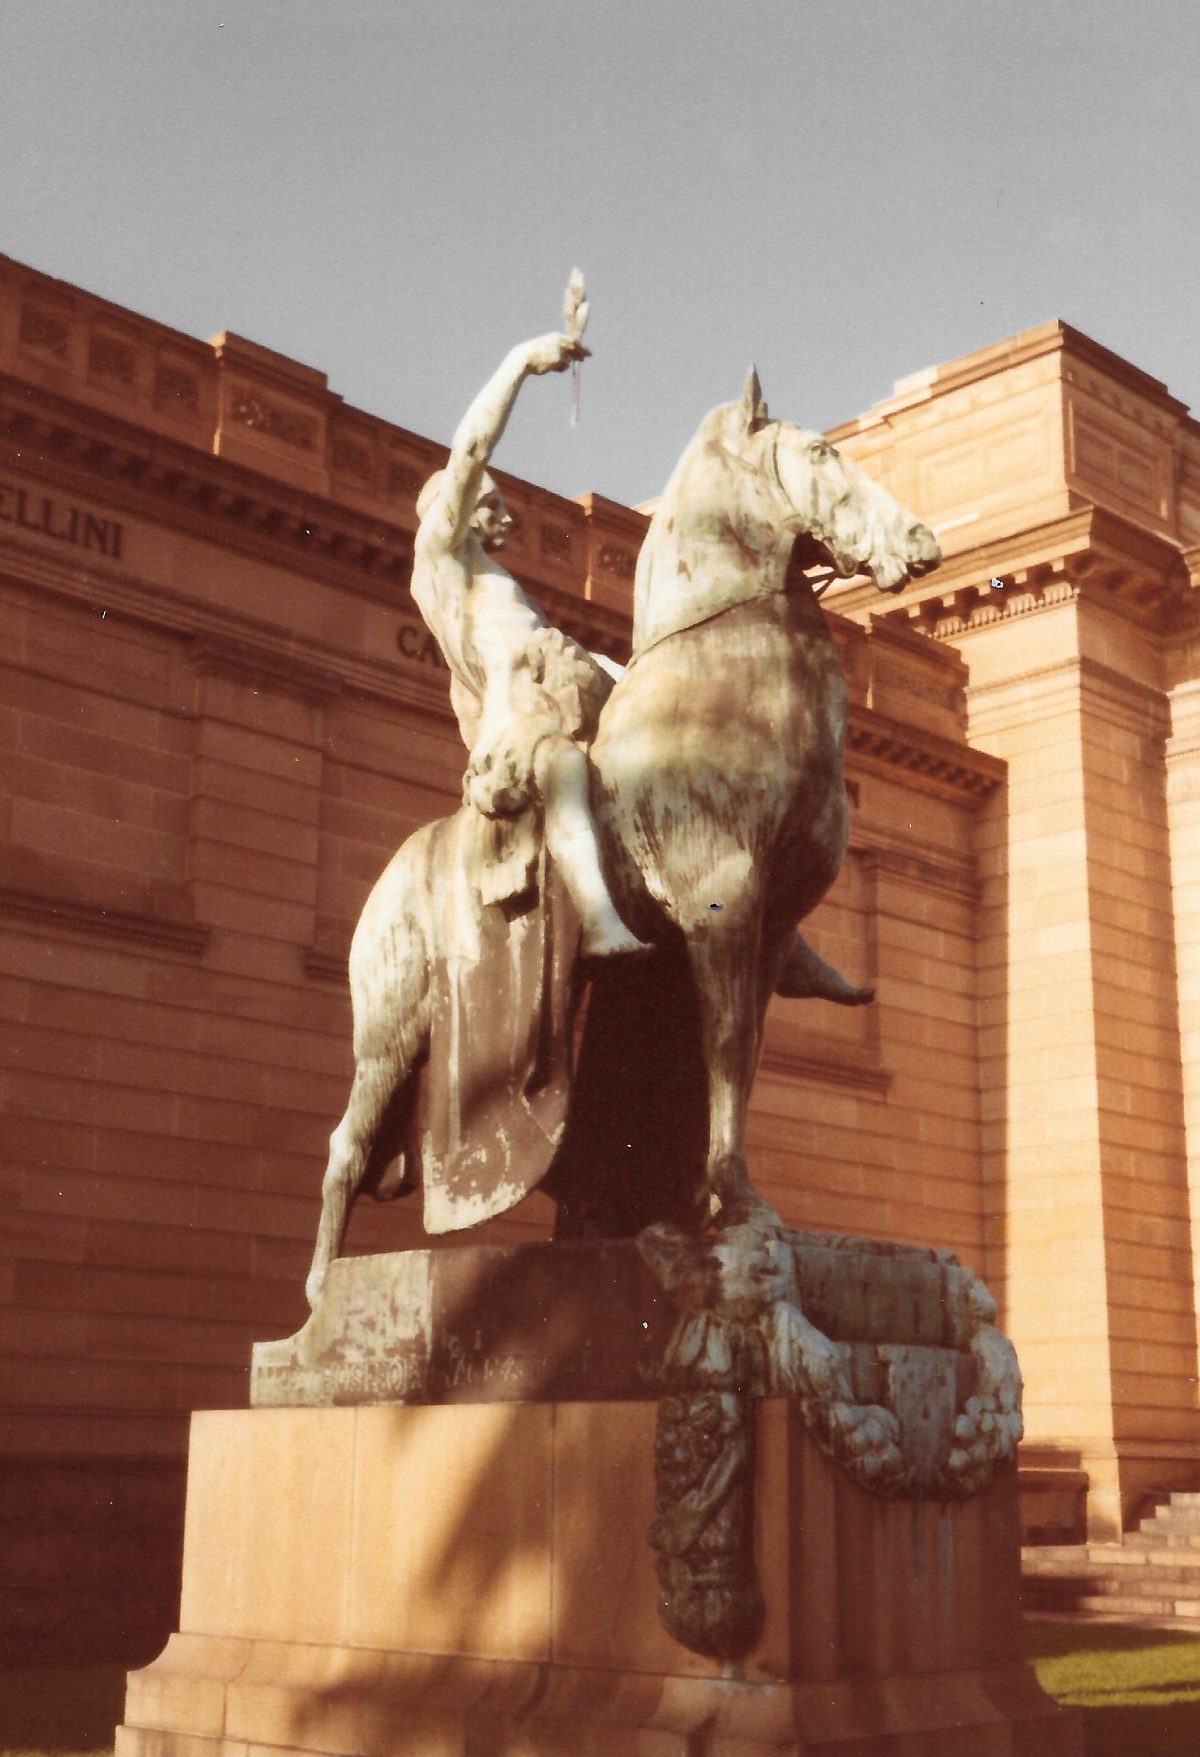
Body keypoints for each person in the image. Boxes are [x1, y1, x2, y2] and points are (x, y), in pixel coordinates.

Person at [412, 331, 648, 959]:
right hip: (518, 729)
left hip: (561, 704)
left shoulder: (505, 590)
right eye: (490, 503)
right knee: (566, 772)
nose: (506, 517)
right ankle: (600, 923)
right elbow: (470, 449)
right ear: (454, 510)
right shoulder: (441, 562)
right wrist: (518, 363)